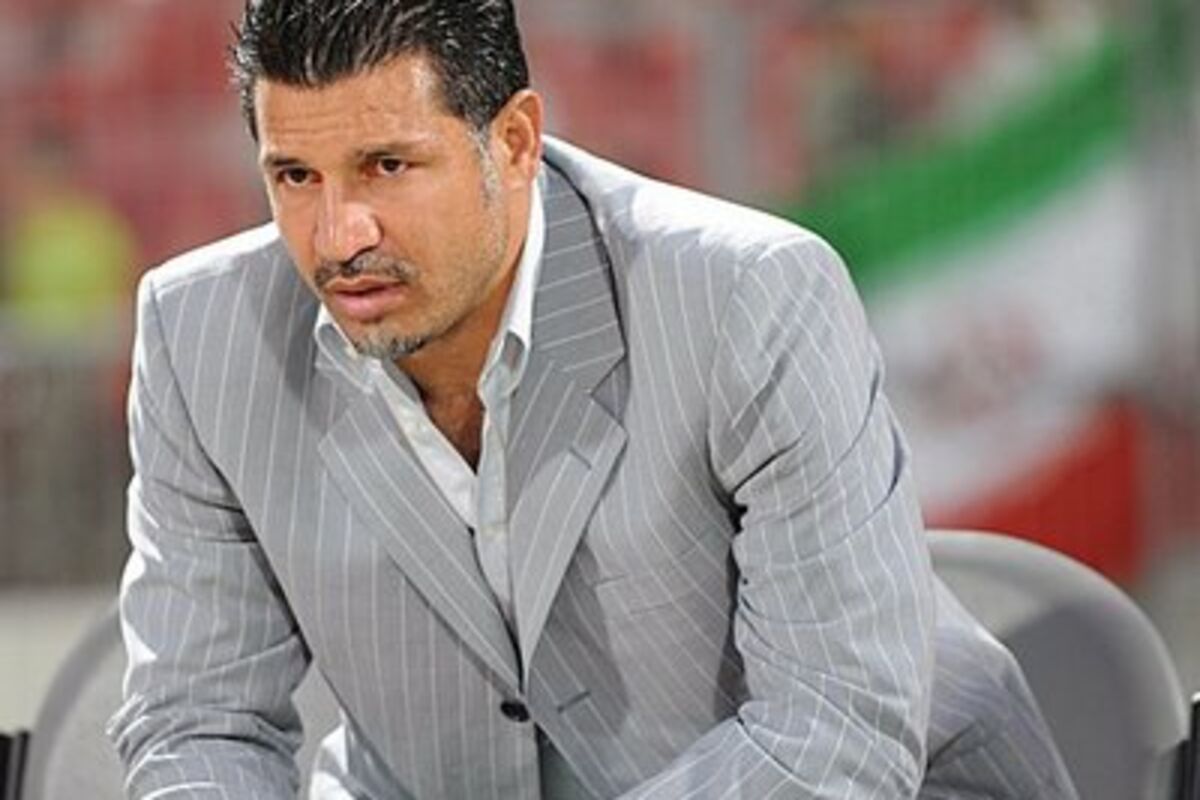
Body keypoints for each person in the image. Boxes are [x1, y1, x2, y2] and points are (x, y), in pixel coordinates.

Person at [108, 1, 1076, 797]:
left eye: (388, 167)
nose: (338, 234)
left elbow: (836, 730)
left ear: (515, 141)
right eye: (294, 176)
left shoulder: (749, 295)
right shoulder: (199, 336)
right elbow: (198, 721)